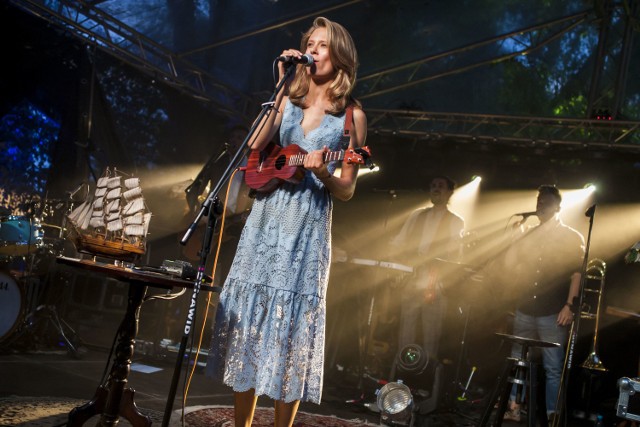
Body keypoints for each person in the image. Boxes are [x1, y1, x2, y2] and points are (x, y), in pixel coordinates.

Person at [206, 16, 367, 427]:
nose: (313, 50)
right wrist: (279, 86)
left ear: (340, 55)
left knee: (291, 330)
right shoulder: (288, 100)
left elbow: (347, 188)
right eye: (310, 43)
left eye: (323, 45)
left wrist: (324, 172)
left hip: (307, 228)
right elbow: (257, 146)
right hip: (267, 220)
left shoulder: (351, 116)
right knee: (250, 324)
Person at [502, 185, 584, 422]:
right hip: (526, 307)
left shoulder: (570, 236)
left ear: (558, 207)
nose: (540, 205)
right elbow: (511, 266)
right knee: (519, 361)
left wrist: (569, 305)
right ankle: (514, 407)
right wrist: (514, 239)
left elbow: (575, 274)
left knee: (553, 367)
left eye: (546, 201)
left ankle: (552, 415)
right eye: (539, 201)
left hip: (553, 311)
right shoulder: (529, 233)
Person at [389, 175, 465, 364]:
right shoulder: (417, 214)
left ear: (449, 192)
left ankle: (427, 372)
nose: (435, 189)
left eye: (440, 186)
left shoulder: (456, 221)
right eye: (432, 186)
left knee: (432, 331)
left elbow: (456, 254)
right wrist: (396, 264)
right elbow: (398, 242)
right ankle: (403, 366)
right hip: (412, 278)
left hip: (435, 282)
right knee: (406, 328)